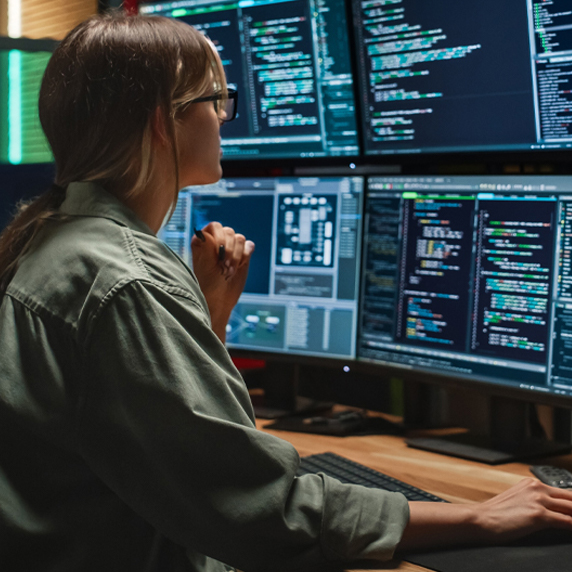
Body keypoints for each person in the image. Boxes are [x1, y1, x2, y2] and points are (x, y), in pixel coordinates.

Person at [0, 11, 571, 572]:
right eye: (216, 99)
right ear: (161, 122)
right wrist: (478, 517)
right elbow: (263, 513)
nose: (225, 117)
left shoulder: (53, 240)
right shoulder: (124, 282)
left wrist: (209, 317)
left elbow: (175, 450)